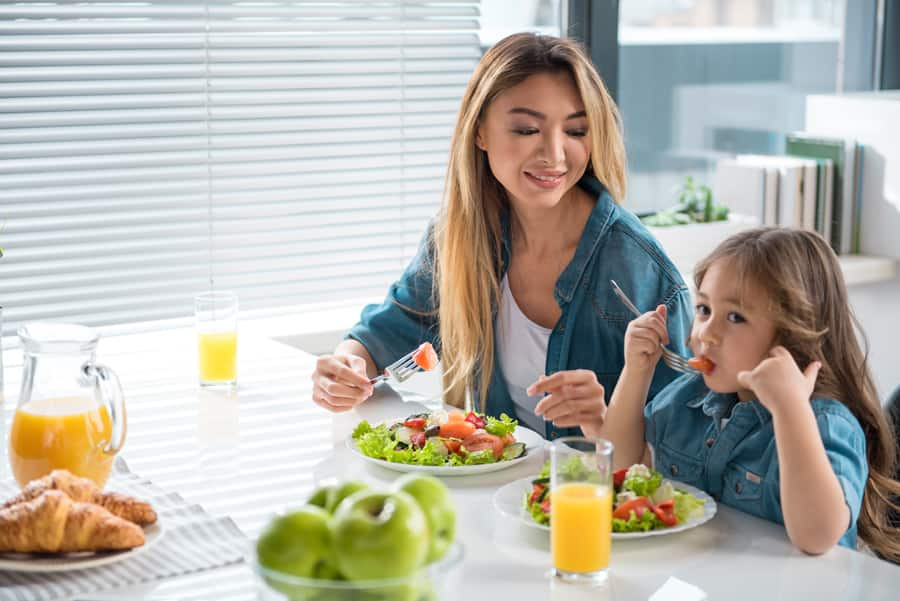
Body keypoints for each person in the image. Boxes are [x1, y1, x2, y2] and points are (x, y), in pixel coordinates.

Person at [311, 32, 693, 440]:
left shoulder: (640, 274)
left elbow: (678, 448)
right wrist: (345, 367)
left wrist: (603, 421)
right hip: (500, 497)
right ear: (479, 132)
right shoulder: (462, 237)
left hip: (590, 500)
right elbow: (389, 330)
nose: (555, 154)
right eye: (528, 129)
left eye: (577, 131)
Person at [599, 227, 900, 560]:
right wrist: (636, 372)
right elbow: (620, 469)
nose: (707, 334)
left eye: (735, 317)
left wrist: (790, 410)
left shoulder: (824, 422)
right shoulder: (690, 395)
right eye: (703, 309)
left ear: (793, 333)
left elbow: (817, 537)